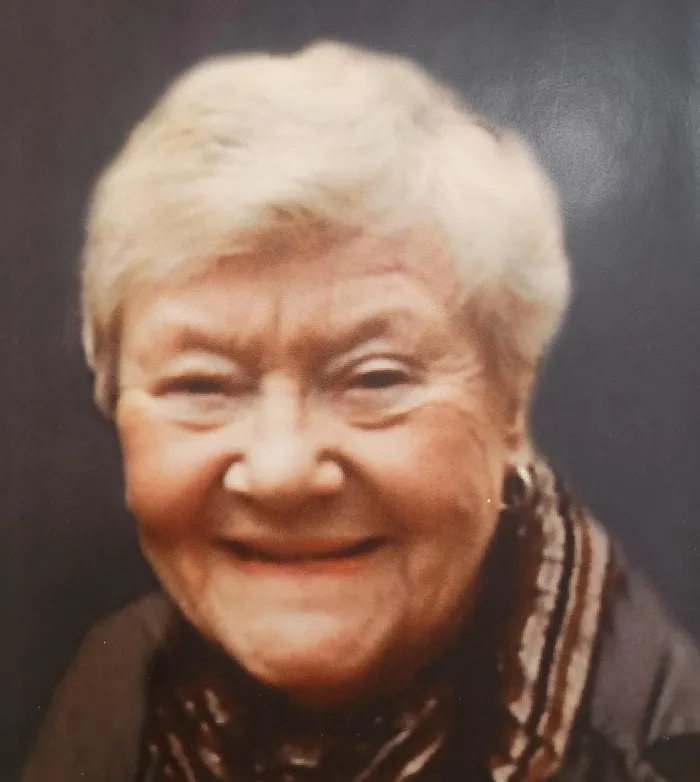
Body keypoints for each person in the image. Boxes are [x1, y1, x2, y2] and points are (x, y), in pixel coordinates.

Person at [21, 41, 700, 782]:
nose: (281, 471)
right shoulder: (121, 683)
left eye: (374, 378)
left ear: (512, 404)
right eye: (202, 386)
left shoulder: (656, 747)